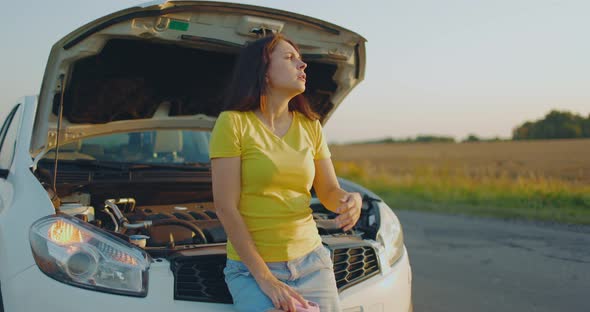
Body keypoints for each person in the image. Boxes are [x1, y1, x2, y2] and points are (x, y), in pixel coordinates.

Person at [209, 33, 362, 312]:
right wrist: (266, 279)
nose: (302, 65)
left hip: (312, 262)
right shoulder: (232, 123)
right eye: (290, 58)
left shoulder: (310, 126)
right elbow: (226, 207)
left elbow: (328, 192)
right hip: (252, 271)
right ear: (263, 72)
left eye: (301, 59)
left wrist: (351, 200)